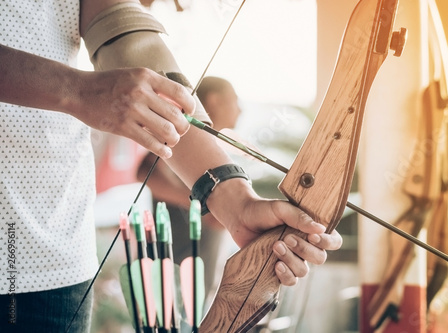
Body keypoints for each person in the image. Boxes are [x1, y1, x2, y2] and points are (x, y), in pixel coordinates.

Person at [0, 1, 342, 332]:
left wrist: (236, 202)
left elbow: (116, 23)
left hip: (52, 255)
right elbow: (145, 166)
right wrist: (76, 90)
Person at [137, 76, 241, 303]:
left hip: (199, 281)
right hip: (174, 279)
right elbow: (146, 172)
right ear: (214, 101)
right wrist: (204, 205)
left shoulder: (215, 150)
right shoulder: (181, 137)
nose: (240, 110)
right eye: (235, 100)